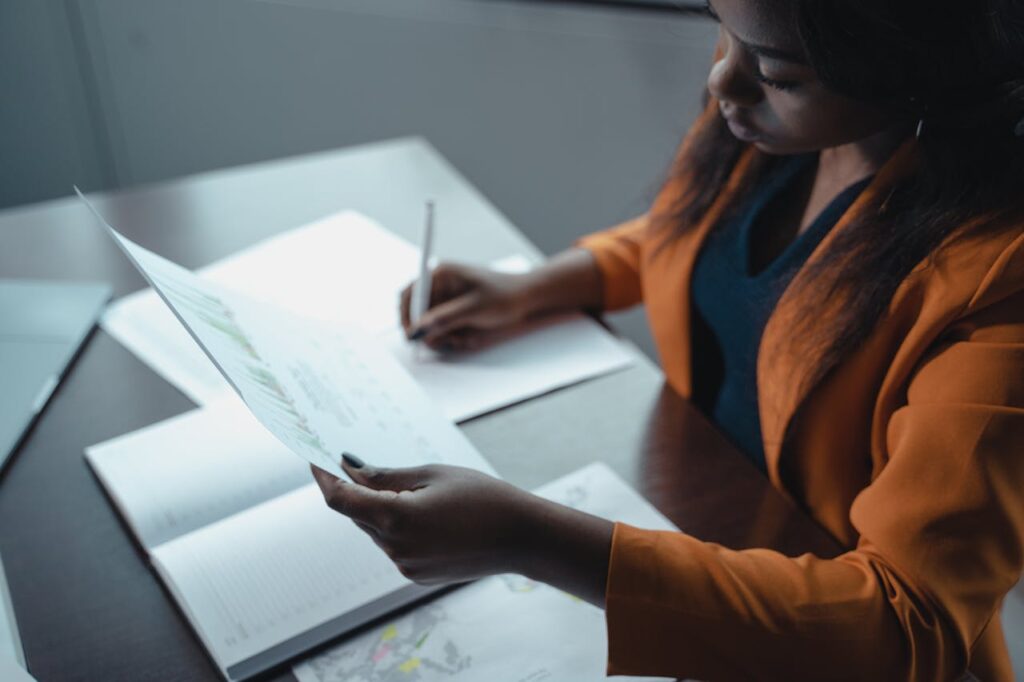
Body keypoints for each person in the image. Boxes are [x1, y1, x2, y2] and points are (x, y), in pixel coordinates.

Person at [310, 0, 1024, 678]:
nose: (722, 79)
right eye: (722, 26)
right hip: (712, 518)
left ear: (920, 68)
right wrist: (542, 284)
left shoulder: (1001, 287)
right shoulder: (776, 121)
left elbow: (905, 623)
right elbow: (705, 234)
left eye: (777, 72)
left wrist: (529, 539)